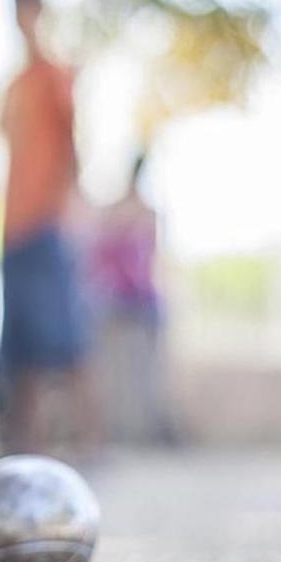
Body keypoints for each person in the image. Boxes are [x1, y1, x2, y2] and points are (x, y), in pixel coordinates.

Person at [0, 0, 101, 457]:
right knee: (21, 352)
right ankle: (24, 450)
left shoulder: (53, 75)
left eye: (30, 10)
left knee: (66, 340)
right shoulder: (14, 86)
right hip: (13, 230)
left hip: (45, 225)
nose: (23, 19)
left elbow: (73, 148)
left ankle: (90, 444)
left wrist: (70, 207)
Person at [89, 153, 179, 445]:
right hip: (118, 300)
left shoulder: (137, 212)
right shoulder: (125, 212)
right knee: (118, 371)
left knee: (144, 370)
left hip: (139, 299)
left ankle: (146, 428)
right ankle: (119, 431)